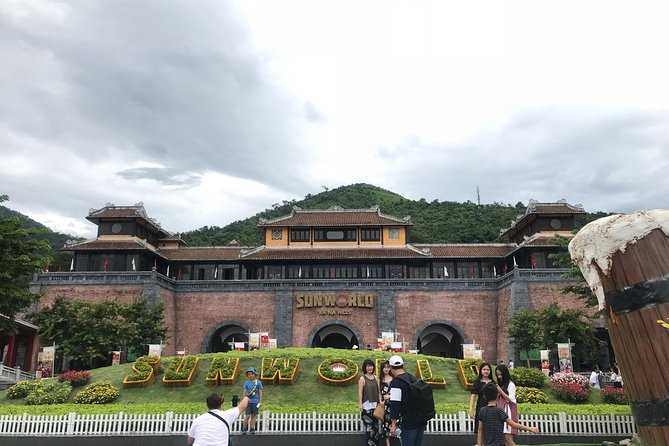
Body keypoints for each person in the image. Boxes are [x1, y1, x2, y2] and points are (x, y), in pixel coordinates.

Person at [389, 354, 426, 446]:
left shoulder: (396, 382)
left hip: (408, 421)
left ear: (391, 368)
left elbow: (395, 404)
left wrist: (393, 425)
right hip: (420, 419)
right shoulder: (411, 377)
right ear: (402, 365)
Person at [469, 362, 495, 446]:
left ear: (490, 371)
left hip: (492, 408)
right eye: (484, 370)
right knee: (480, 428)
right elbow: (473, 396)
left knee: (490, 428)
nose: (486, 371)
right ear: (481, 371)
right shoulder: (477, 382)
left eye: (488, 370)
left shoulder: (493, 382)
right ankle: (479, 444)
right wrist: (471, 409)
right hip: (480, 407)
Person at [358, 358, 381, 446]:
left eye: (371, 366)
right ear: (365, 367)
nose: (370, 368)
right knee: (369, 428)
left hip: (375, 406)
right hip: (366, 406)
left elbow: (378, 391)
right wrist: (360, 404)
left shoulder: (376, 378)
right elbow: (360, 392)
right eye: (368, 366)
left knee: (376, 428)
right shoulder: (362, 379)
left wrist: (380, 403)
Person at [495, 364, 518, 446]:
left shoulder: (510, 385)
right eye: (497, 375)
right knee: (504, 439)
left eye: (501, 374)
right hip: (502, 412)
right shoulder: (502, 385)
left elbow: (511, 399)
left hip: (508, 413)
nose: (499, 377)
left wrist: (500, 391)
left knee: (508, 438)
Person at [241, 367, 263, 434]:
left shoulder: (258, 382)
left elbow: (260, 392)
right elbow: (244, 393)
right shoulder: (246, 383)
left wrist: (260, 401)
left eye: (252, 374)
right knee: (247, 415)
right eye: (249, 374)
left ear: (254, 374)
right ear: (247, 375)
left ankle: (252, 428)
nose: (250, 375)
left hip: (255, 402)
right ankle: (244, 428)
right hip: (248, 401)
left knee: (254, 415)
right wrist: (243, 401)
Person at [379, 360, 394, 446]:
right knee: (385, 424)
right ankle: (388, 444)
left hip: (393, 405)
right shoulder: (380, 379)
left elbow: (397, 392)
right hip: (384, 405)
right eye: (384, 367)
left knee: (395, 422)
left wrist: (390, 396)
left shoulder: (394, 379)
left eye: (388, 367)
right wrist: (380, 401)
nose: (386, 369)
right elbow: (378, 392)